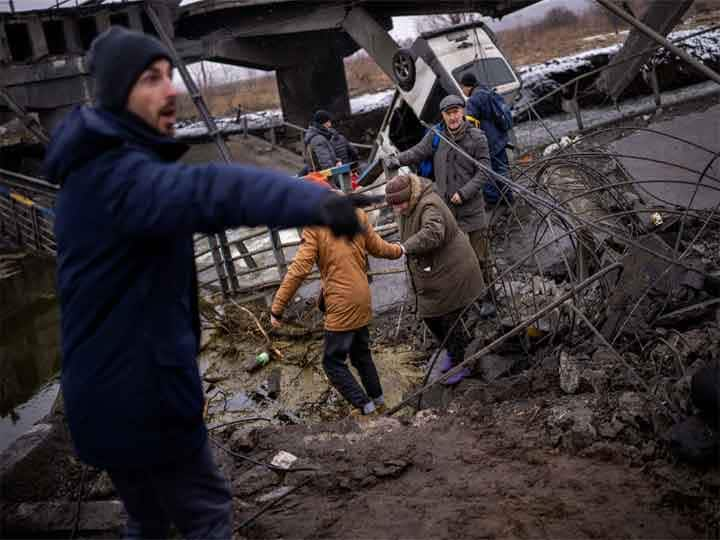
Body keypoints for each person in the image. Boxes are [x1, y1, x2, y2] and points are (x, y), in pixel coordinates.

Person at [43, 27, 361, 540]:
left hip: (104, 400)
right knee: (206, 514)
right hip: (145, 398)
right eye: (151, 79)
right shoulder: (118, 176)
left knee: (147, 519)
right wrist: (316, 202)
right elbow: (209, 189)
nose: (171, 90)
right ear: (117, 93)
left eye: (171, 75)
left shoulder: (92, 168)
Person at [270, 192, 403, 415]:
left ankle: (367, 408)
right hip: (362, 297)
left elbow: (299, 270)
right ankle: (379, 401)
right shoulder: (357, 215)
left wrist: (277, 308)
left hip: (342, 304)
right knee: (362, 355)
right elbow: (379, 248)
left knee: (332, 363)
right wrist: (400, 249)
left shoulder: (315, 226)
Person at [383, 95, 496, 315]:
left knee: (480, 257)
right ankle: (464, 300)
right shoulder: (436, 135)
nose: (453, 117)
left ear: (462, 112)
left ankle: (488, 298)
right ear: (443, 116)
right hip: (448, 213)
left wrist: (464, 193)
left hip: (472, 210)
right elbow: (418, 152)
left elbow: (484, 171)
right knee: (456, 259)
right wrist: (397, 159)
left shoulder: (477, 138)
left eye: (456, 112)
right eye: (448, 113)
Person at [385, 173, 484, 385]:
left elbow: (433, 233)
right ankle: (452, 353)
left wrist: (404, 247)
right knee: (431, 316)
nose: (397, 210)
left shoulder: (429, 205)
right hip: (434, 271)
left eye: (399, 204)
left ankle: (461, 363)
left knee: (449, 318)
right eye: (394, 206)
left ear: (409, 195)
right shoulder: (408, 205)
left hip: (452, 270)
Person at [459, 72, 514, 205]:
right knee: (503, 171)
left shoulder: (473, 100)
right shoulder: (487, 91)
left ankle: (494, 203)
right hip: (500, 140)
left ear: (467, 86)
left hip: (489, 144)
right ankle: (508, 198)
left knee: (485, 173)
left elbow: (470, 125)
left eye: (462, 87)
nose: (462, 90)